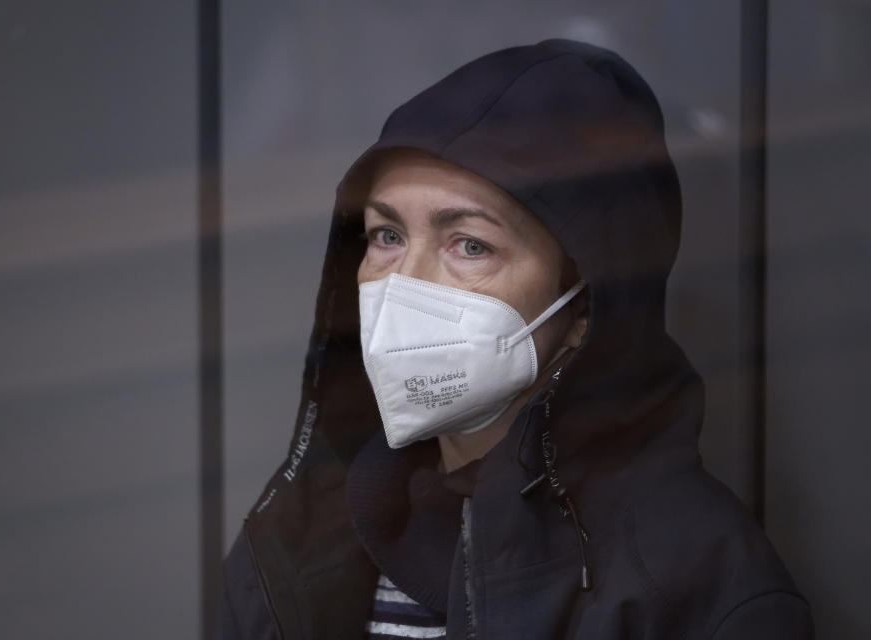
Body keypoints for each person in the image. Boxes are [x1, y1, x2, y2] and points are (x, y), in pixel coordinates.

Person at [217, 39, 814, 639]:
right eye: (386, 235)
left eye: (470, 245)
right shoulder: (293, 543)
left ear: (584, 304)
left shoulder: (701, 585)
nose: (402, 284)